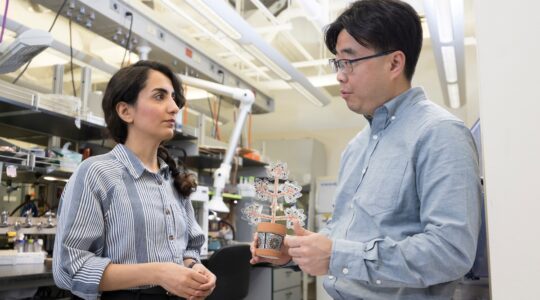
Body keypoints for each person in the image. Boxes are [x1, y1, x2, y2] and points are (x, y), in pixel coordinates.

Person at [250, 0, 481, 299]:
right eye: (337, 63)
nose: (340, 75)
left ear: (394, 63)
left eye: (350, 61)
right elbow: (345, 236)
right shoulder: (357, 147)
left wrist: (336, 256)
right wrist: (297, 251)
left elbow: (450, 251)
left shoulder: (440, 134)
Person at [53, 61, 216, 300]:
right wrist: (158, 272)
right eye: (159, 96)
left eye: (173, 98)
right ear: (125, 111)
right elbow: (70, 269)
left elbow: (188, 248)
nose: (173, 108)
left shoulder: (172, 178)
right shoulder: (96, 173)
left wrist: (194, 267)